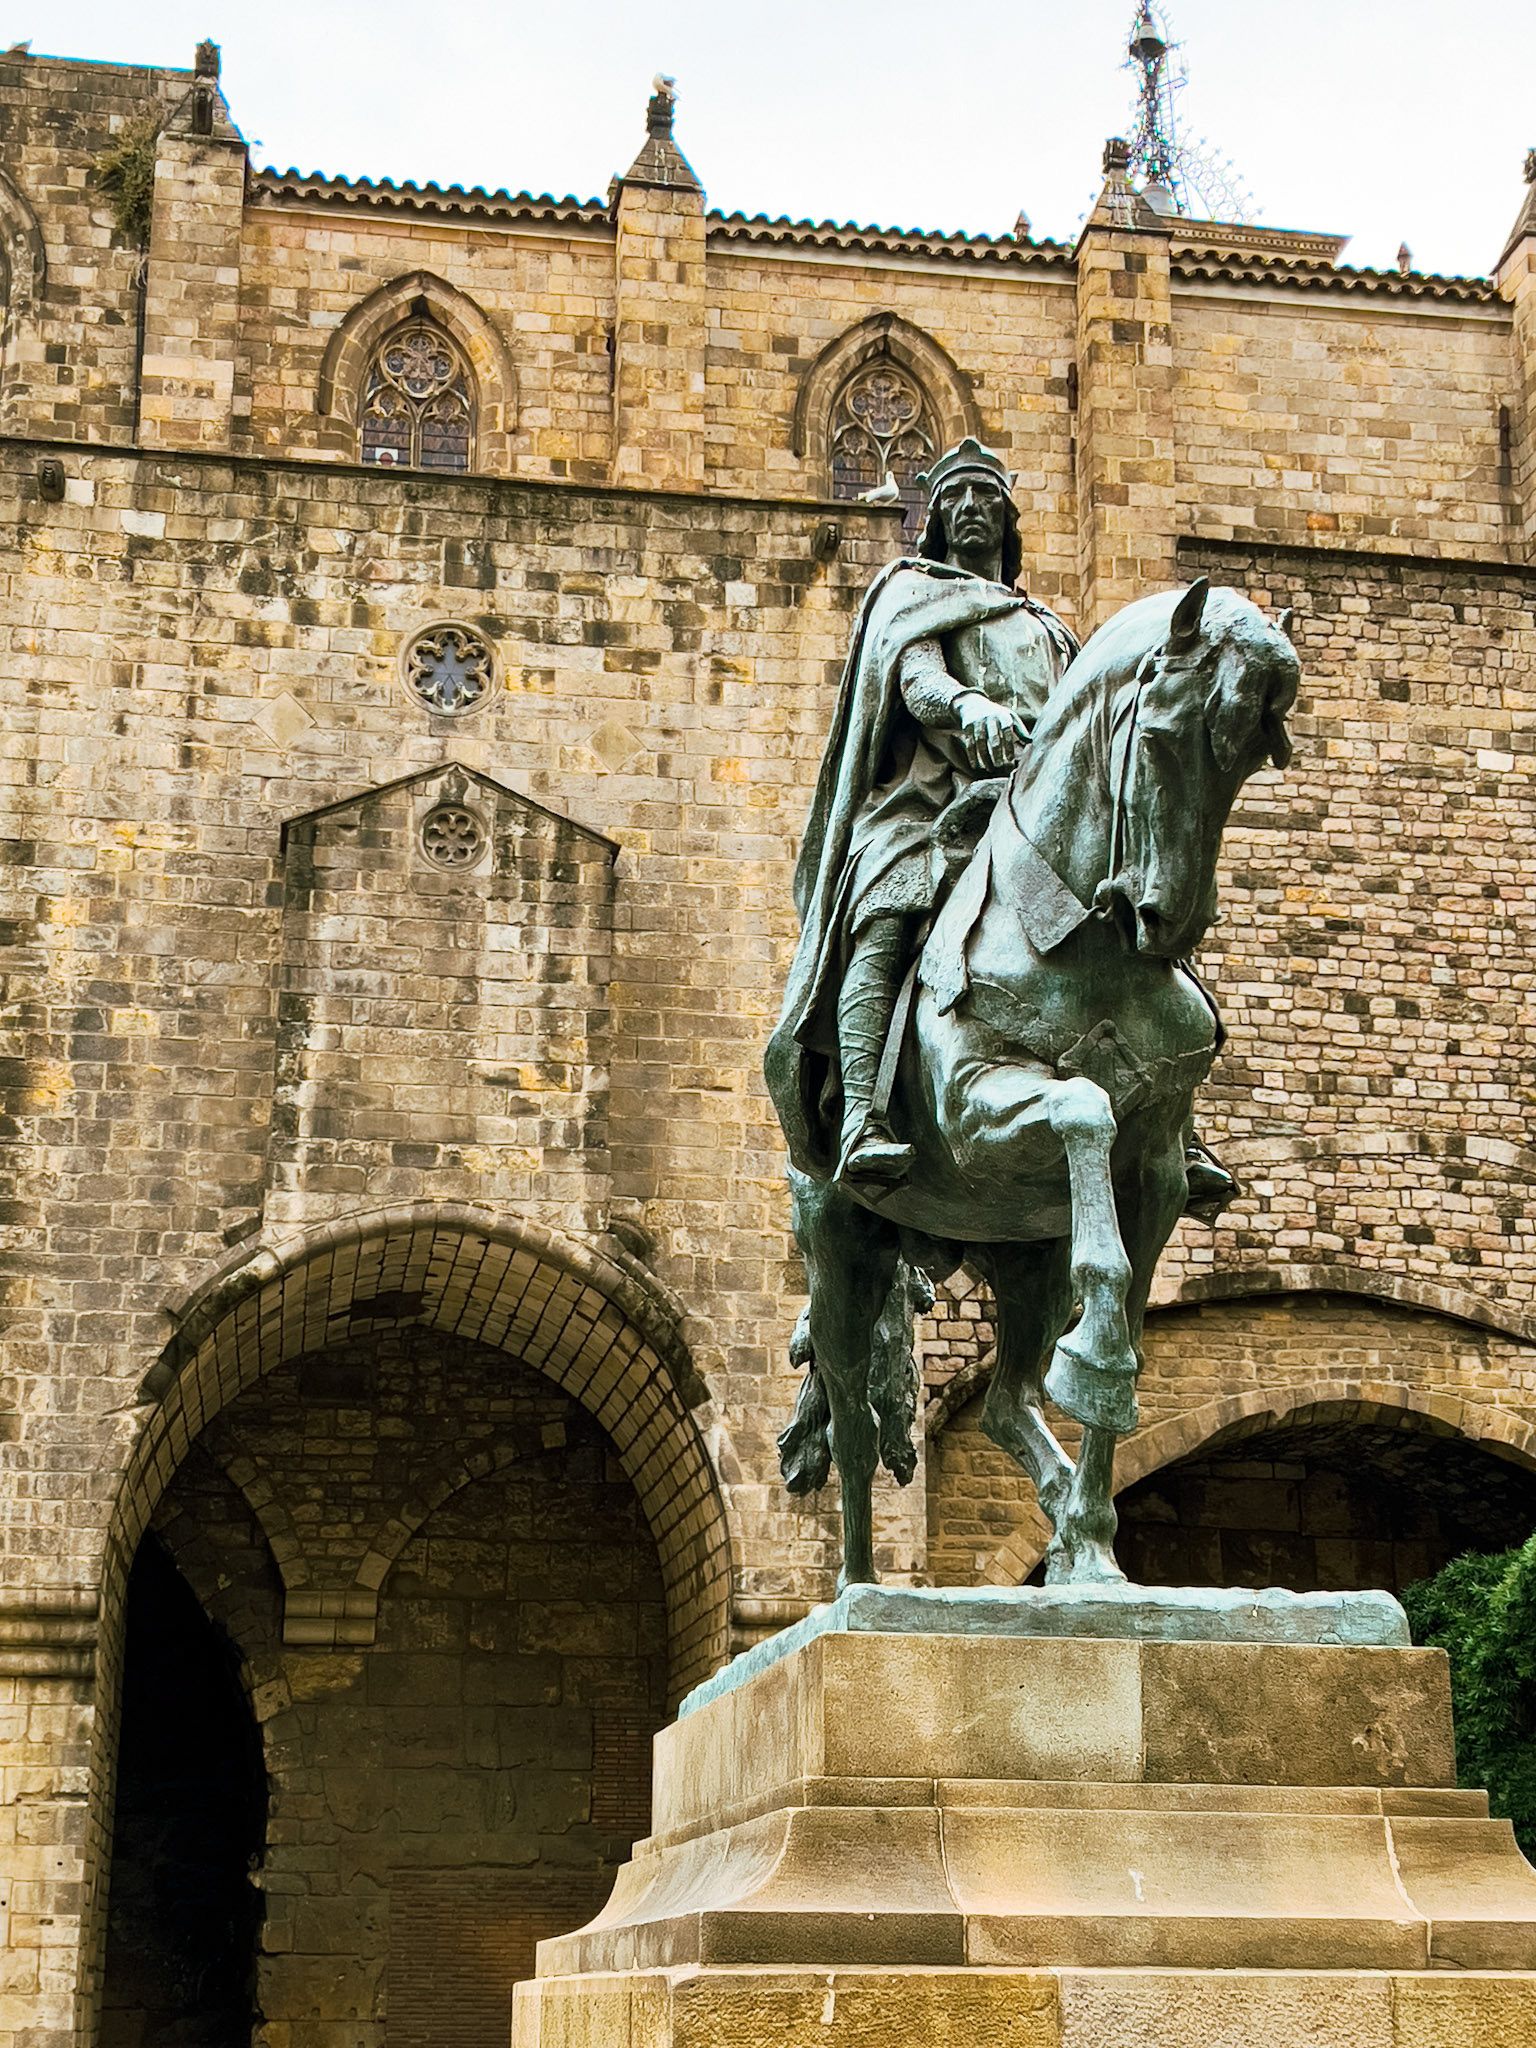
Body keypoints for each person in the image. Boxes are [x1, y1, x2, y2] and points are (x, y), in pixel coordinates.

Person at [770, 436, 1238, 1220]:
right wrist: (965, 707)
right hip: (929, 805)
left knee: (1141, 912)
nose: (972, 512)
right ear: (937, 519)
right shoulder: (916, 593)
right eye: (957, 501)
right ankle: (862, 1116)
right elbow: (913, 677)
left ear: (1009, 519)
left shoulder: (1049, 628)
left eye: (988, 500)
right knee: (885, 915)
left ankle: (1174, 1125)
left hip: (1034, 809)